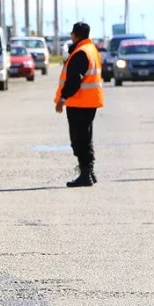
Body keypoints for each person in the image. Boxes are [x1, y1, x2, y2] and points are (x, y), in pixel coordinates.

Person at [54, 21, 105, 187]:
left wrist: (62, 99)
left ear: (75, 35)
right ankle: (89, 172)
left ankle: (85, 174)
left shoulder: (81, 53)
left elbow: (74, 81)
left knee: (79, 140)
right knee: (85, 137)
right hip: (89, 101)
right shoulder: (90, 50)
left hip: (80, 102)